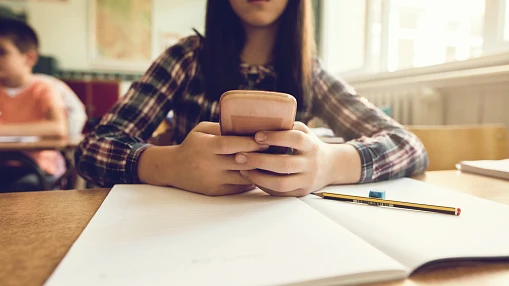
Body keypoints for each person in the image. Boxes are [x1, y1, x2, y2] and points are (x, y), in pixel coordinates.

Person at [75, 0, 428, 197]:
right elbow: (92, 150)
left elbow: (408, 146)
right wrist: (170, 164)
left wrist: (330, 164)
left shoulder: (312, 74)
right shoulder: (185, 58)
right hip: (185, 226)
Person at [0, 17, 67, 192]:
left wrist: (4, 129)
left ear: (28, 58)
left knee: (19, 189)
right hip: (3, 163)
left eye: (2, 52)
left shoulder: (44, 88)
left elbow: (58, 128)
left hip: (36, 167)